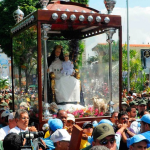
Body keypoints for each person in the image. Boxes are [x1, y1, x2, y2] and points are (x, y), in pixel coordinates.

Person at [48, 45, 84, 110]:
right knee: (61, 81)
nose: (58, 53)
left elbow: (67, 67)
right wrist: (50, 71)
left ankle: (74, 99)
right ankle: (62, 100)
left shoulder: (63, 61)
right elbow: (50, 68)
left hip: (63, 75)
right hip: (57, 77)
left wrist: (71, 71)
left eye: (59, 52)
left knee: (74, 81)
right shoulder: (51, 60)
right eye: (57, 51)